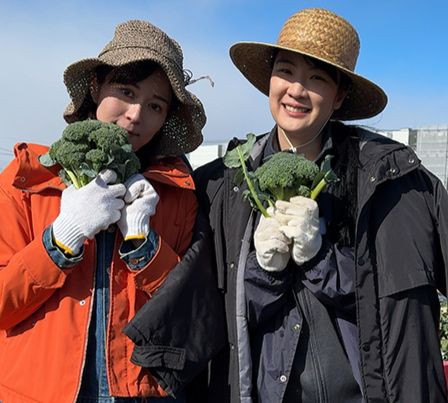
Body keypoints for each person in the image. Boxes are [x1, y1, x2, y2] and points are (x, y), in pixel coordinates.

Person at [194, 8, 448, 403]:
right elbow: (210, 315)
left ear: (339, 96)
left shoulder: (397, 181)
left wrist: (321, 259)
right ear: (270, 81)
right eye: (287, 71)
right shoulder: (221, 185)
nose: (297, 89)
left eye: (316, 78)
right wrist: (265, 270)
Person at [0, 19, 224, 403]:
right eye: (125, 91)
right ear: (95, 88)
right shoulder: (27, 179)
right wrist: (60, 239)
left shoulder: (178, 194)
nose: (136, 114)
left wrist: (144, 244)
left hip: (141, 393)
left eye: (155, 105)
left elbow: (188, 316)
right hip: (38, 391)